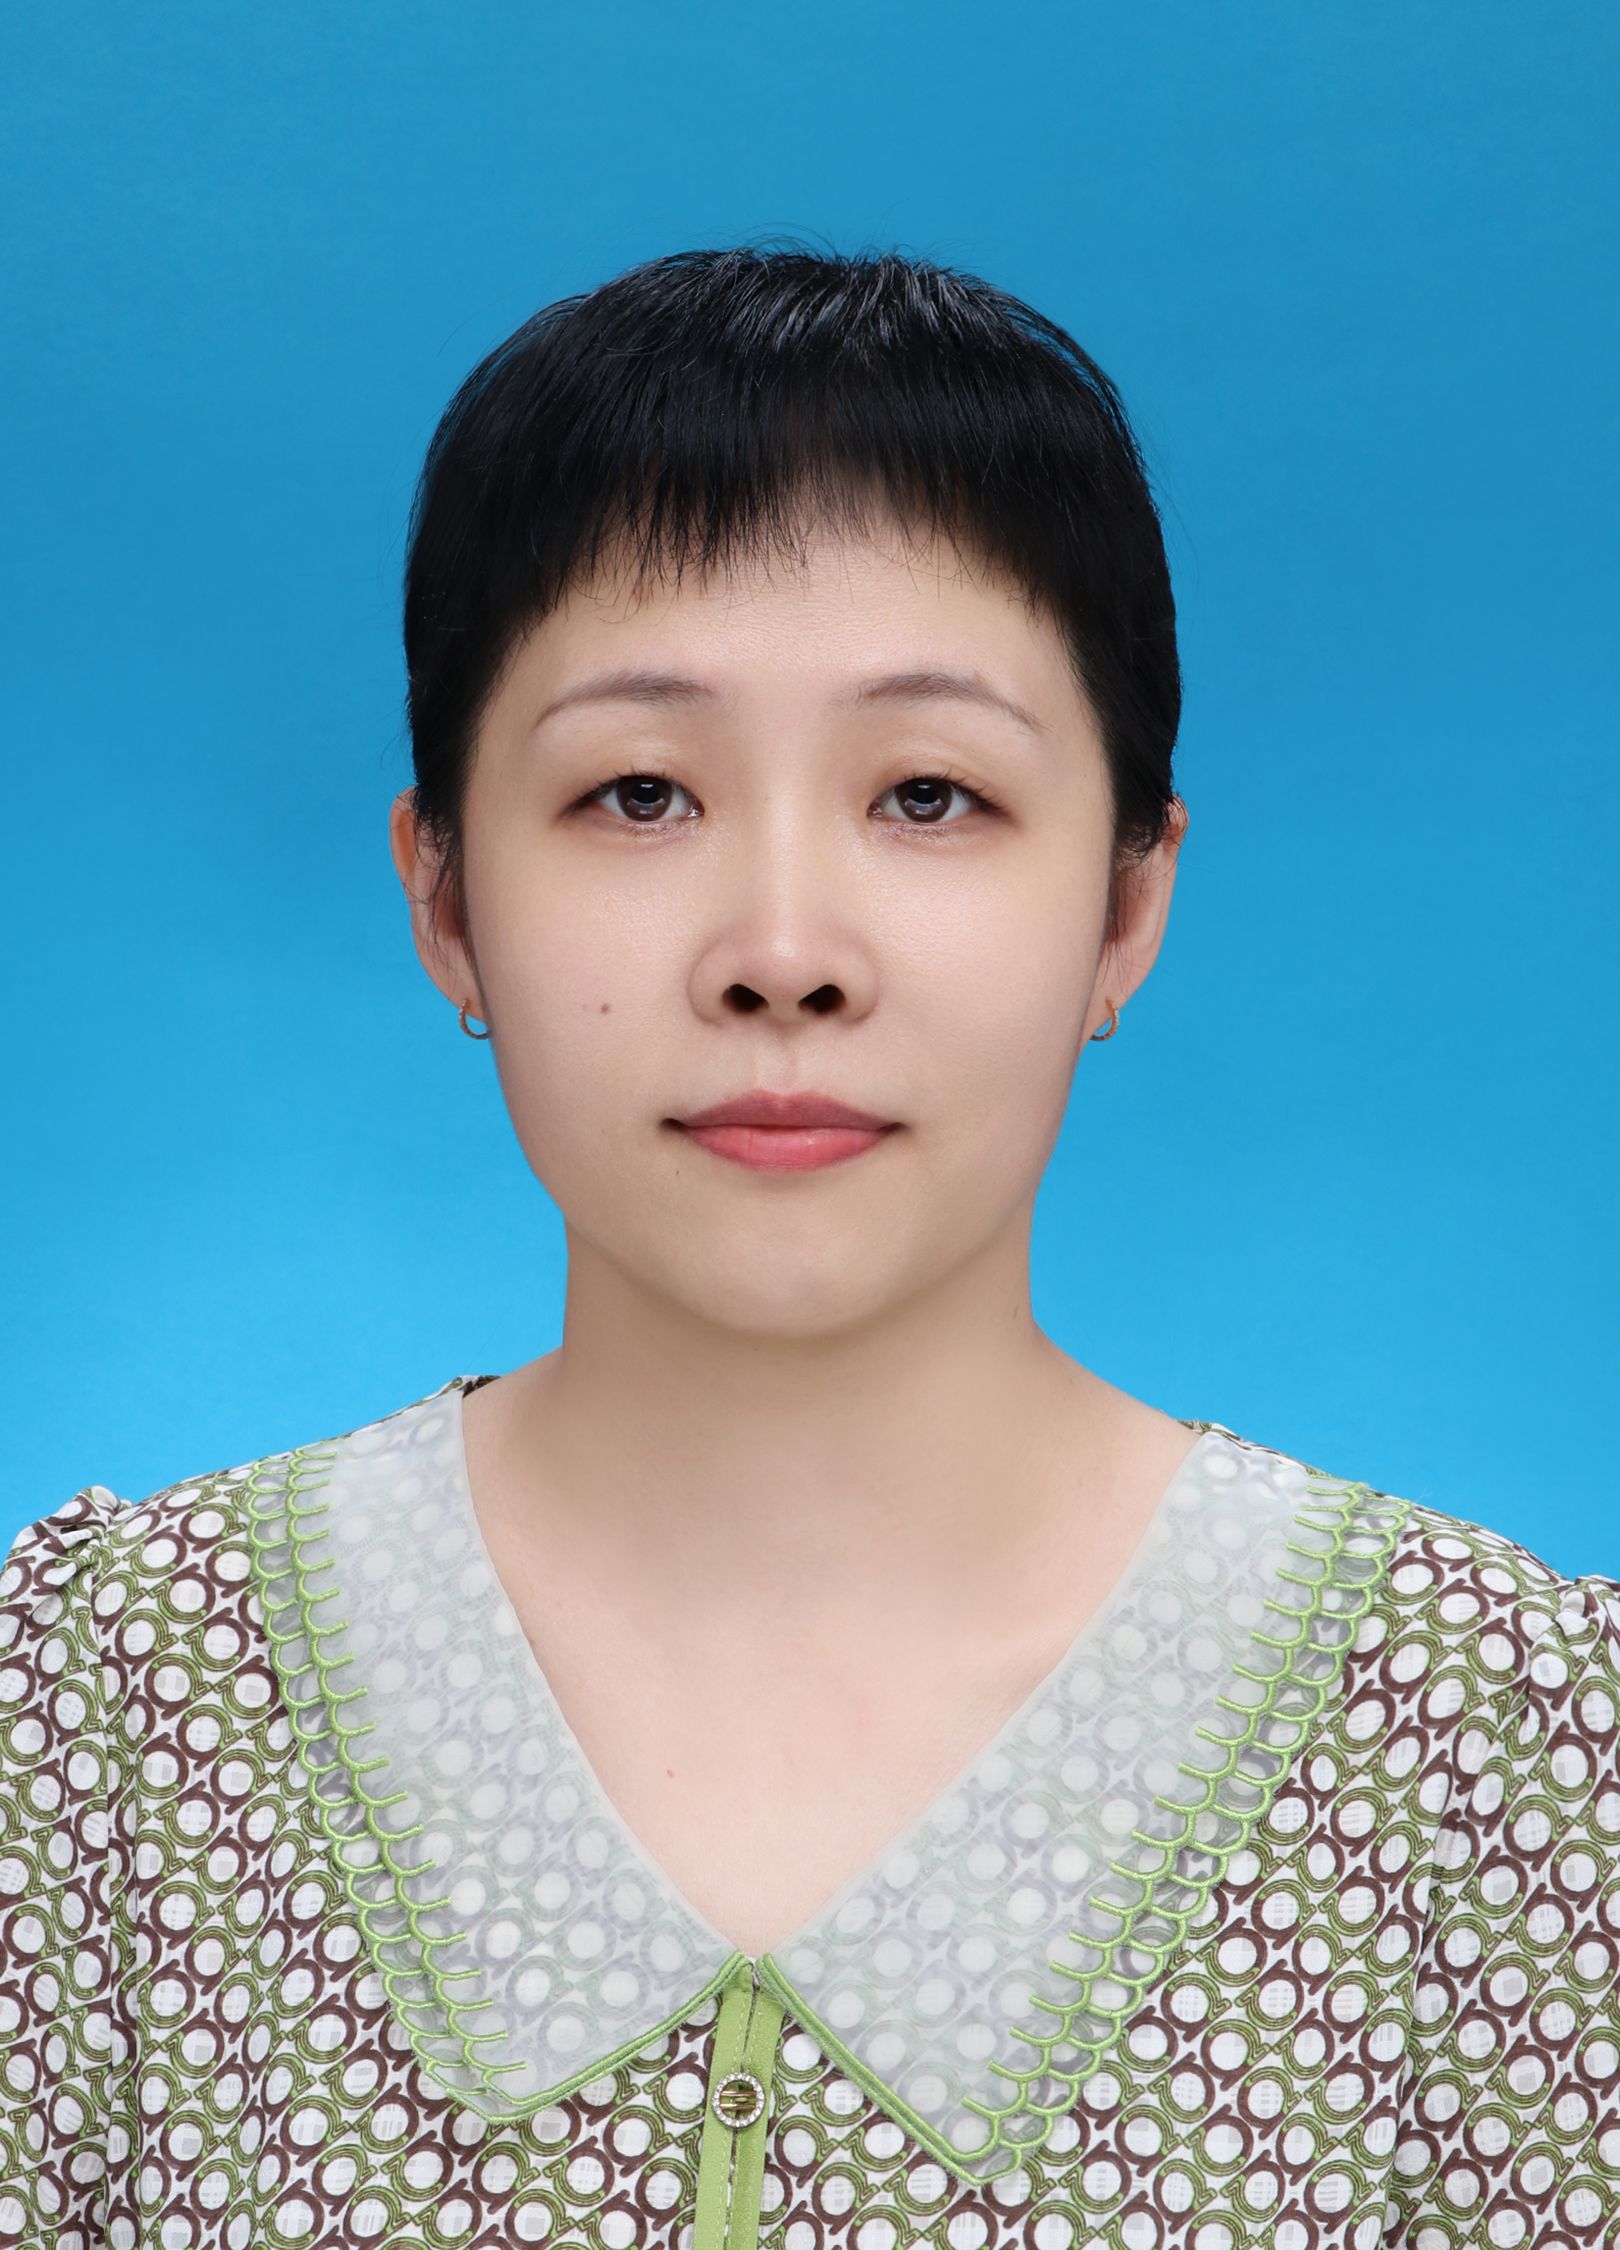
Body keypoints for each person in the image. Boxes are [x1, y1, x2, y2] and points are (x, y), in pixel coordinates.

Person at [3, 244, 1616, 2249]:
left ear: (1129, 903)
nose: (782, 953)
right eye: (639, 793)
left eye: (929, 794)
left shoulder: (1504, 1763)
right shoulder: (98, 1718)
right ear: (445, 901)